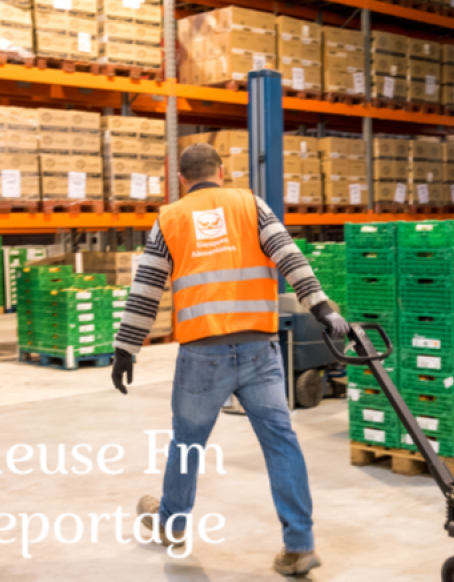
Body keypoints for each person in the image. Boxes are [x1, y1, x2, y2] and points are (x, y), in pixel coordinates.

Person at [111, 143, 350, 577]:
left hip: (202, 355)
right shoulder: (250, 205)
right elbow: (289, 256)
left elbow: (146, 288)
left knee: (187, 443)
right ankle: (299, 545)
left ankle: (172, 525)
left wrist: (126, 348)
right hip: (260, 350)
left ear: (181, 179)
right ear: (221, 172)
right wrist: (321, 307)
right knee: (281, 442)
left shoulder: (170, 219)